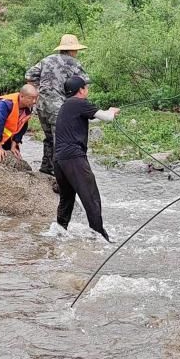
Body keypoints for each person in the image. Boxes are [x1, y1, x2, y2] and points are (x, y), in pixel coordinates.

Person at [53, 76, 120, 242]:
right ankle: (100, 236)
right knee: (91, 197)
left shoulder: (67, 105)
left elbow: (95, 119)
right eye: (86, 88)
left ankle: (59, 231)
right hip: (74, 157)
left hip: (59, 159)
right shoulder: (79, 103)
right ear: (81, 90)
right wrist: (111, 112)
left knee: (67, 197)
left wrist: (108, 114)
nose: (87, 90)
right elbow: (107, 118)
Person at [25, 34, 90, 177]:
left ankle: (46, 166)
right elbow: (84, 83)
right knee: (59, 139)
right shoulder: (74, 63)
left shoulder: (46, 60)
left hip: (41, 105)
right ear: (72, 50)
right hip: (59, 107)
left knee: (48, 137)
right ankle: (58, 172)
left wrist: (39, 90)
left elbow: (29, 75)